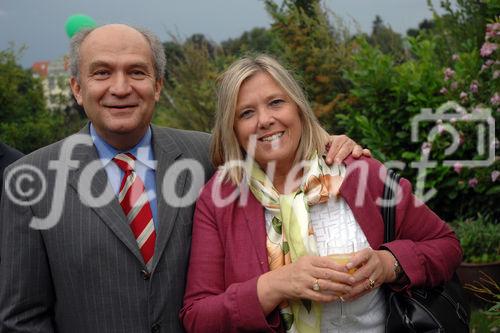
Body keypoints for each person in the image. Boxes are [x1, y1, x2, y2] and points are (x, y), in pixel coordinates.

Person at [0, 25, 366, 332]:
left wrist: (331, 144)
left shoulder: (209, 155)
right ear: (77, 88)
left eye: (137, 72)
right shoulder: (32, 180)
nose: (121, 87)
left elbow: (279, 152)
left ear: (157, 86)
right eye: (102, 73)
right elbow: (23, 317)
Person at [180, 55, 462, 332]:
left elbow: (446, 245)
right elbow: (198, 316)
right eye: (246, 113)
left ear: (299, 108)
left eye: (276, 102)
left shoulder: (357, 172)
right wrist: (277, 284)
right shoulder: (219, 198)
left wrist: (388, 264)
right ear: (233, 128)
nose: (264, 120)